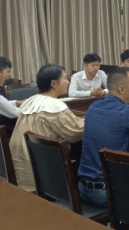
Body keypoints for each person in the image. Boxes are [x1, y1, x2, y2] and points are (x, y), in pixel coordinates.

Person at [78, 67, 129, 207]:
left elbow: (114, 120)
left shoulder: (93, 106)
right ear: (121, 89)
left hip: (83, 189)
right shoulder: (126, 112)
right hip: (108, 193)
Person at [10, 64, 84, 192]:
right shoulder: (54, 106)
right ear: (53, 83)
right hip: (43, 172)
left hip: (22, 169)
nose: (68, 81)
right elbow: (76, 133)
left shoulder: (31, 101)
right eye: (64, 78)